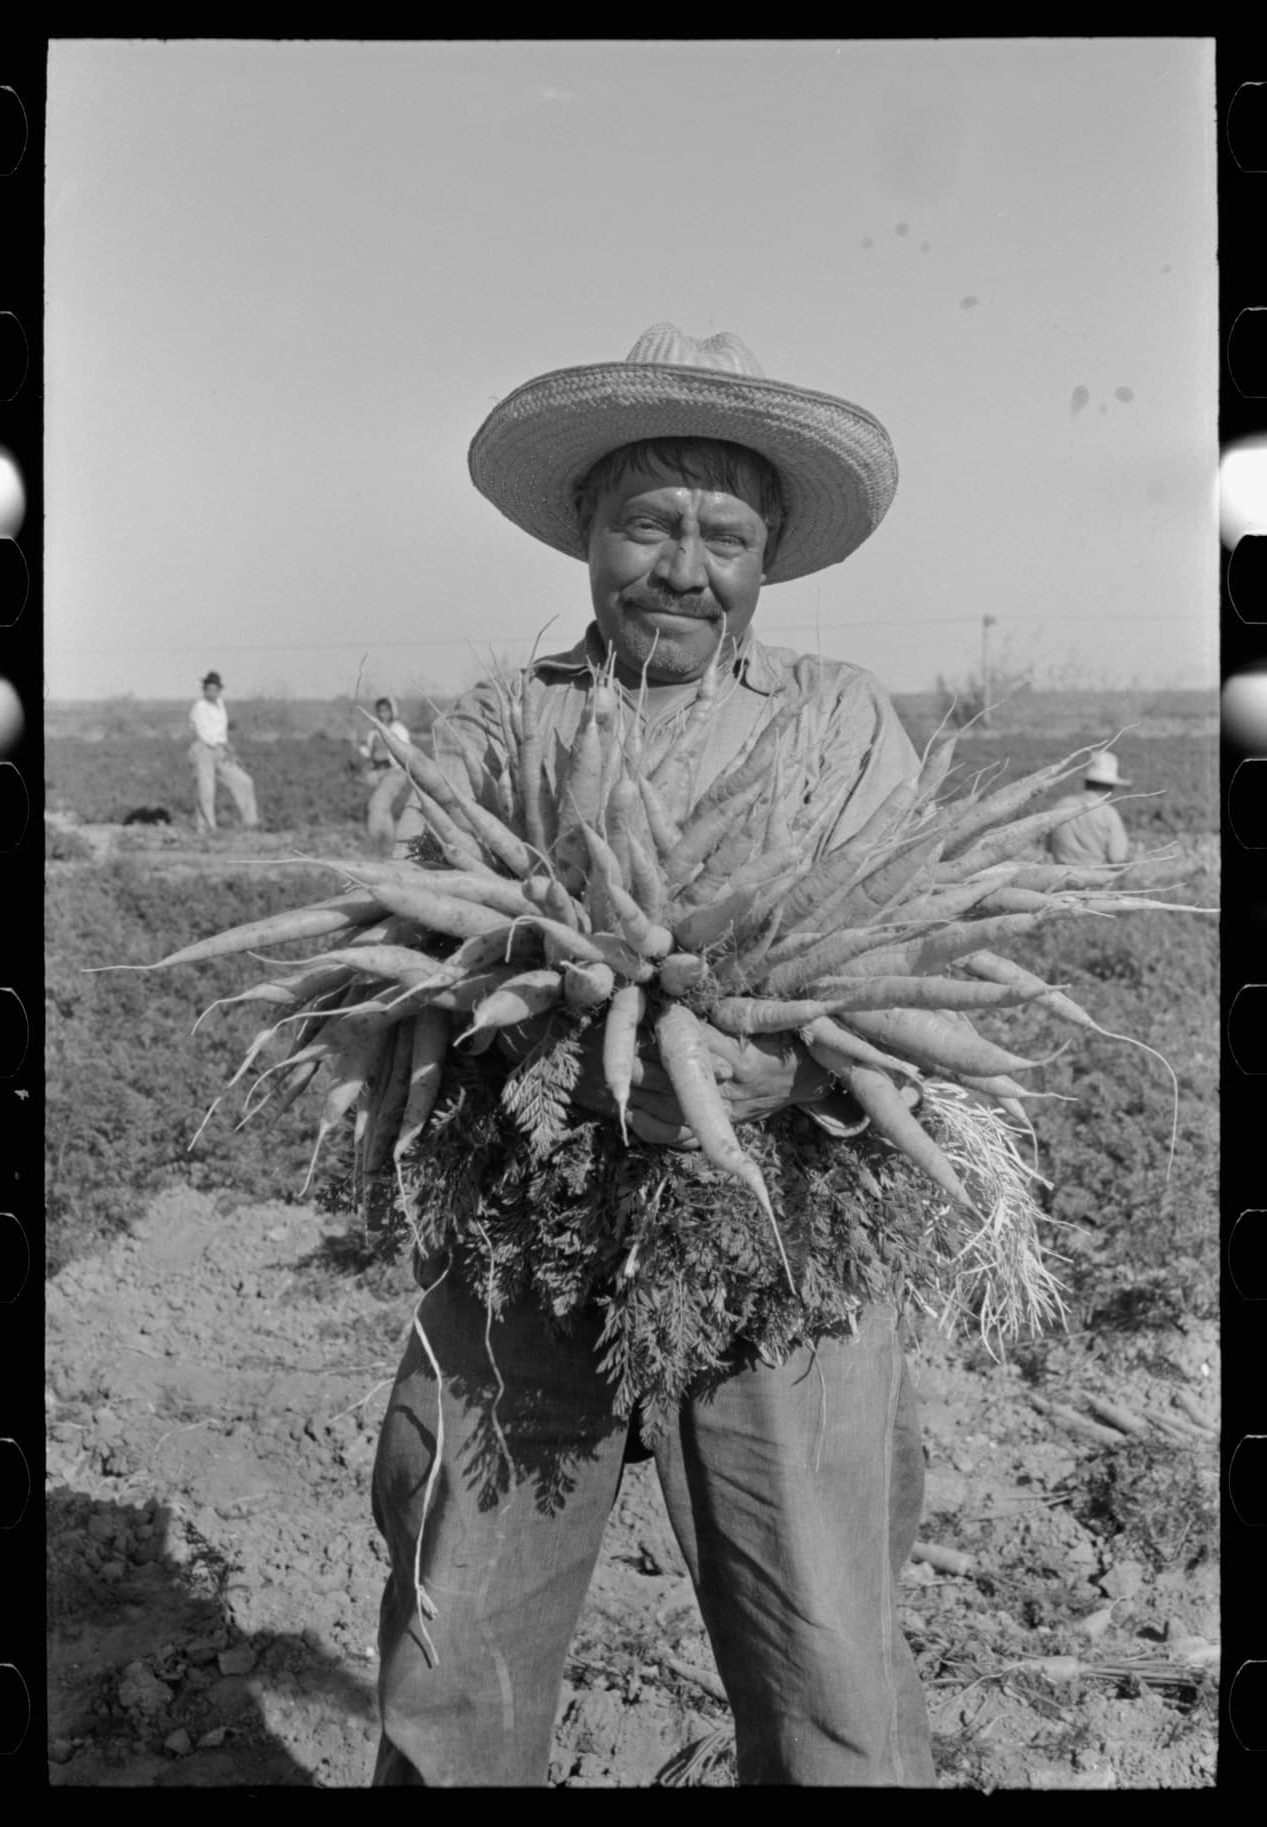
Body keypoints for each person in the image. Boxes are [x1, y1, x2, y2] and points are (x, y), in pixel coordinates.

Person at [374, 324, 936, 1787]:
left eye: (723, 534)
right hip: (523, 1228)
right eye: (648, 524)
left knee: (830, 1669)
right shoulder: (507, 718)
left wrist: (792, 1075)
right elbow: (434, 954)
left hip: (781, 1233)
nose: (683, 566)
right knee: (457, 1653)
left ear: (768, 557)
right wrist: (541, 1041)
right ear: (587, 534)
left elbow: (895, 960)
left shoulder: (838, 718)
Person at [187, 671, 259, 834]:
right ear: (204, 690)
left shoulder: (220, 705)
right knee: (206, 789)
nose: (212, 692)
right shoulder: (199, 707)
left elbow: (221, 731)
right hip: (204, 749)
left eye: (215, 689)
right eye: (209, 689)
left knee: (244, 782)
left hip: (219, 750)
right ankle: (207, 828)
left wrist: (227, 747)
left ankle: (251, 822)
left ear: (219, 690)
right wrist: (218, 745)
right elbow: (204, 733)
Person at [1046, 750, 1131, 865]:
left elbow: (1048, 847)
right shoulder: (1108, 814)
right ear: (1111, 787)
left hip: (1059, 878)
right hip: (1095, 878)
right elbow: (1117, 858)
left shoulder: (1058, 806)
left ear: (1086, 782)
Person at [357, 696, 414, 853]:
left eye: (386, 711)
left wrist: (387, 770)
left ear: (392, 712)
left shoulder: (398, 730)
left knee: (375, 805)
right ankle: (390, 846)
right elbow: (370, 751)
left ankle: (372, 843)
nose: (382, 714)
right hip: (379, 771)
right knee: (383, 809)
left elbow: (405, 753)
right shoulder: (374, 731)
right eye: (380, 711)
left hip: (395, 772)